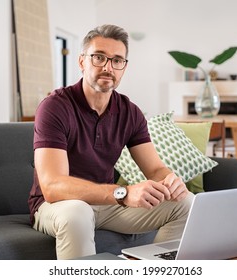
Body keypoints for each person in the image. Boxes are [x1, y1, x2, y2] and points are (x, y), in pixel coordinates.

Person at [28, 24, 193, 260]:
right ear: (82, 61)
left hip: (106, 205)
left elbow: (155, 168)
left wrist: (171, 181)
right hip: (57, 206)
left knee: (186, 203)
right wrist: (123, 193)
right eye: (99, 57)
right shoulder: (55, 107)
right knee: (77, 212)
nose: (108, 67)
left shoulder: (130, 112)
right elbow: (53, 187)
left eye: (117, 60)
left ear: (124, 67)